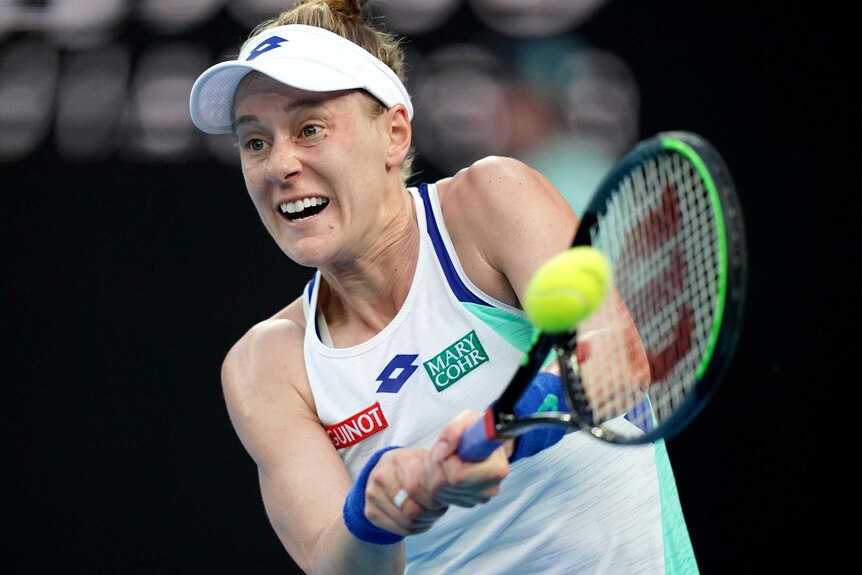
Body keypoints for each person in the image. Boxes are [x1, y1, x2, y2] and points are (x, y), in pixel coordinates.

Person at [188, 1, 699, 573]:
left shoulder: (490, 202)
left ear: (395, 135)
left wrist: (505, 429)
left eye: (310, 128)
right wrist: (374, 512)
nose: (279, 165)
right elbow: (335, 563)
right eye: (254, 142)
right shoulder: (265, 365)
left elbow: (616, 359)